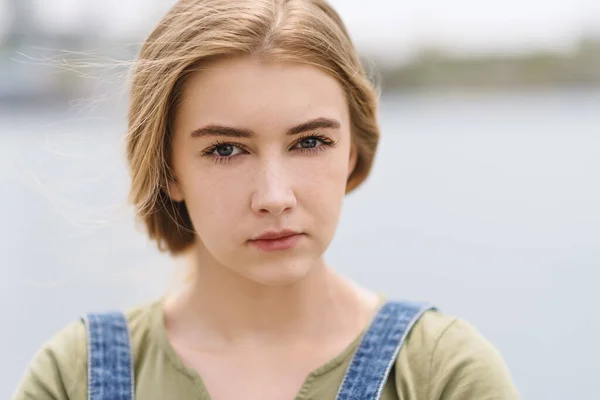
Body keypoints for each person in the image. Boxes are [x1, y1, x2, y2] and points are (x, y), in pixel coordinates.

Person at [13, 0, 519, 399]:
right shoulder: (75, 379)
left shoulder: (442, 377)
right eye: (226, 149)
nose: (274, 197)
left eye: (310, 142)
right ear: (169, 170)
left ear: (351, 152)